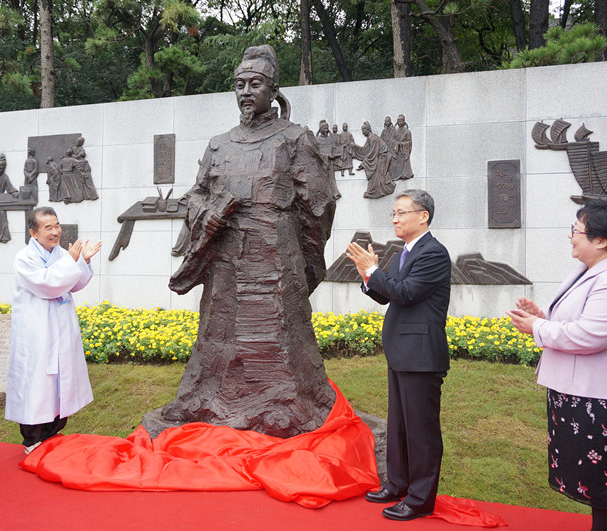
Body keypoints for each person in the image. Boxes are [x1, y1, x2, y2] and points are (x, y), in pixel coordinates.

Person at [164, 45, 337, 438]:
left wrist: (304, 262)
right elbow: (194, 195)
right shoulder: (219, 144)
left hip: (274, 257)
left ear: (273, 89)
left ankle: (284, 404)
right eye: (239, 84)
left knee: (275, 335)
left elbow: (319, 207)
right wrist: (210, 213)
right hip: (225, 255)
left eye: (255, 83)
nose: (246, 91)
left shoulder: (295, 139)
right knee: (218, 330)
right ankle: (205, 397)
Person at [506, 199, 607, 531]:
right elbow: (581, 319)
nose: (571, 236)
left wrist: (536, 328)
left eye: (577, 230)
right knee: (594, 478)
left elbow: (590, 335)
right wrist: (544, 315)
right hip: (582, 394)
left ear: (601, 240)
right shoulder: (591, 270)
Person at [346, 189, 451, 521]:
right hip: (401, 351)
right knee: (400, 424)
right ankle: (398, 483)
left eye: (402, 212)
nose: (395, 218)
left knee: (421, 429)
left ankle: (420, 498)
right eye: (393, 213)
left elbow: (405, 293)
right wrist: (369, 275)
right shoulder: (404, 252)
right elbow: (385, 295)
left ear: (424, 216)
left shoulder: (433, 253)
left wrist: (374, 272)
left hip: (421, 354)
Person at [5, 207, 101, 454]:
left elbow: (74, 283)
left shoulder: (60, 254)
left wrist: (84, 261)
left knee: (61, 379)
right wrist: (72, 262)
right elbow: (48, 284)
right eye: (48, 227)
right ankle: (32, 439)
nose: (56, 231)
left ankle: (53, 433)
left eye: (57, 225)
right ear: (33, 232)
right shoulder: (24, 258)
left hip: (60, 325)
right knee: (36, 383)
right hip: (38, 331)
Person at [354, 121, 393, 198]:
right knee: (375, 175)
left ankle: (374, 192)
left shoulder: (373, 138)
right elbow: (365, 150)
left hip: (384, 157)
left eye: (363, 130)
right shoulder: (370, 138)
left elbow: (373, 153)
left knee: (377, 175)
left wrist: (364, 163)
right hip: (380, 157)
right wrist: (354, 148)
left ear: (367, 129)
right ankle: (372, 191)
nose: (362, 132)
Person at [389, 114, 414, 181]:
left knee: (405, 163)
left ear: (404, 122)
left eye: (400, 121)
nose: (399, 122)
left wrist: (402, 144)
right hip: (396, 151)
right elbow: (391, 141)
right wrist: (396, 144)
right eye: (398, 121)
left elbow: (409, 142)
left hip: (403, 152)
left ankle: (404, 174)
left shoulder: (407, 132)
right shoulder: (395, 132)